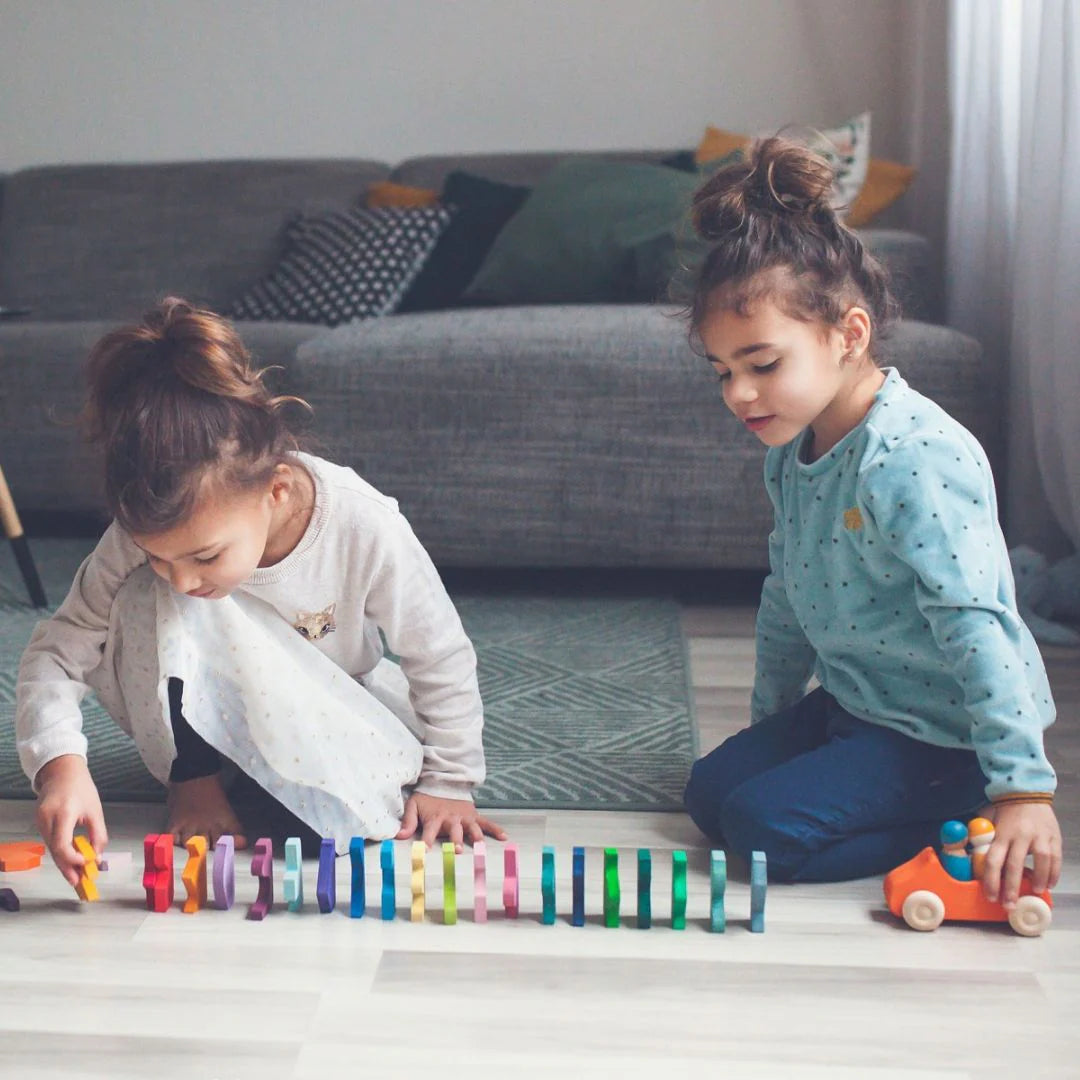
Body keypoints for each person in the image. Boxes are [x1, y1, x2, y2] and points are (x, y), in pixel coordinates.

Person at [681, 136, 1062, 909]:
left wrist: (1023, 788)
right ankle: (838, 781)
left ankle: (955, 818)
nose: (739, 396)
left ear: (848, 336)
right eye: (723, 372)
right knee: (710, 792)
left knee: (758, 832)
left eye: (763, 365)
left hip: (938, 735)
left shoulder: (916, 457)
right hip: (854, 704)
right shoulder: (792, 454)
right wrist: (772, 731)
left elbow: (977, 623)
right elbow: (788, 597)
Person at [17, 297, 506, 887]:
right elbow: (58, 649)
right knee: (151, 594)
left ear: (275, 491)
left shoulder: (361, 523)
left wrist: (450, 783)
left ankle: (266, 782)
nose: (184, 576)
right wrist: (59, 768)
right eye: (157, 554)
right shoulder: (148, 545)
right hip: (191, 727)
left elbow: (439, 652)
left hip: (323, 708)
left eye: (205, 556)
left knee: (326, 831)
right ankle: (195, 780)